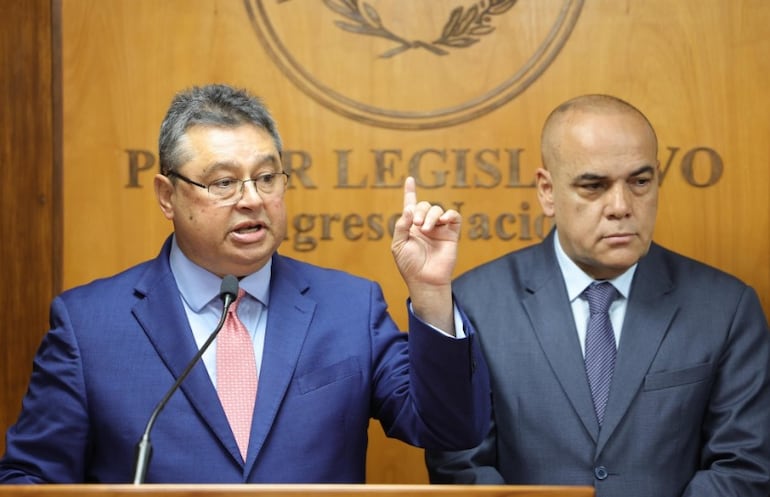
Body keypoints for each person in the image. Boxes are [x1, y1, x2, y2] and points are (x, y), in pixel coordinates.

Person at [0, 83, 490, 484]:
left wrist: (430, 294)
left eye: (267, 177)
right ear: (167, 196)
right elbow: (30, 477)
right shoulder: (88, 326)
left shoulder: (348, 306)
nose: (252, 199)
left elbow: (447, 427)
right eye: (223, 183)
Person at [425, 94, 770, 497]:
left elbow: (743, 466)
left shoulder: (725, 307)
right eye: (594, 186)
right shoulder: (476, 304)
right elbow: (461, 466)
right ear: (548, 191)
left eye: (640, 182)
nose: (621, 206)